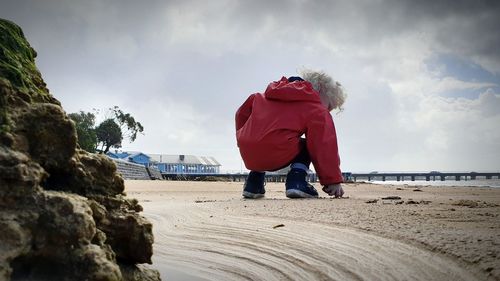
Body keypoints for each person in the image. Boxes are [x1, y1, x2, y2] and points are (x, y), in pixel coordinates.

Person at [235, 69, 346, 199]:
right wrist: (332, 180)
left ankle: (253, 185)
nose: (328, 110)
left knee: (266, 136)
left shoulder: (259, 97)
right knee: (306, 145)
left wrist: (242, 139)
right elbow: (324, 145)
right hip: (277, 151)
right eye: (330, 105)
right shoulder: (315, 108)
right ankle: (296, 181)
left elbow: (240, 115)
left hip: (249, 152)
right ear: (320, 91)